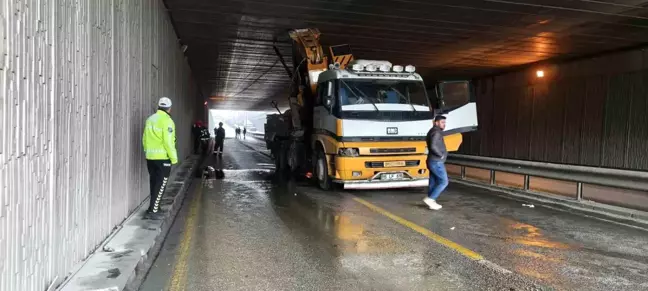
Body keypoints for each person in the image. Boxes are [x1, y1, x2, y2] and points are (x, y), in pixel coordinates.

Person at [142, 97, 178, 217]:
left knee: (154, 182)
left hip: (150, 157)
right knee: (161, 184)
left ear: (158, 106)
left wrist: (147, 152)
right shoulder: (167, 121)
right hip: (163, 158)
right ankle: (153, 211)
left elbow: (144, 139)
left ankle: (154, 207)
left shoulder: (150, 119)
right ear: (169, 109)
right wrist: (174, 158)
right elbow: (168, 142)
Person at [423, 115, 448, 210]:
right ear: (436, 122)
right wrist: (440, 155)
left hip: (432, 160)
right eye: (442, 122)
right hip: (436, 161)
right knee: (444, 181)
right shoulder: (436, 132)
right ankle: (430, 199)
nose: (444, 124)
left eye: (445, 122)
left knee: (433, 182)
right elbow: (433, 146)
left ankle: (431, 202)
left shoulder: (432, 131)